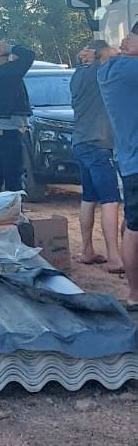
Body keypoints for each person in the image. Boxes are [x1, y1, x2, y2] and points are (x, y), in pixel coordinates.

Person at [70, 40, 123, 272]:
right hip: (98, 144)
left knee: (89, 197)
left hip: (81, 142)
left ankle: (87, 250)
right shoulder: (98, 71)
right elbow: (114, 54)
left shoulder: (77, 75)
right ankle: (114, 257)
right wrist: (100, 54)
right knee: (110, 200)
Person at [97, 23, 138, 310]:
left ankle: (135, 294)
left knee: (133, 226)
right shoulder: (131, 71)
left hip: (129, 162)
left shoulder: (108, 71)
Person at [0, 40, 35, 192]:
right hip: (11, 129)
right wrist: (10, 48)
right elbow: (29, 55)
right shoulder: (9, 73)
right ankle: (15, 210)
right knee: (14, 174)